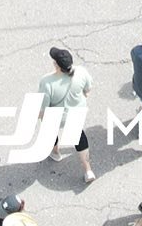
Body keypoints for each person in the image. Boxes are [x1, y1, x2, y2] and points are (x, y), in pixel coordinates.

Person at [38, 46, 95, 182]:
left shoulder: (47, 82)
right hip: (76, 113)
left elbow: (43, 105)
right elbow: (88, 90)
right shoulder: (81, 72)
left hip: (57, 116)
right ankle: (88, 170)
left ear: (56, 65)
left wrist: (40, 116)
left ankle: (56, 152)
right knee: (79, 137)